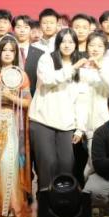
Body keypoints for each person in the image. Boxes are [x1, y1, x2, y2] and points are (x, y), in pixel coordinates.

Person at [0, 36, 32, 217]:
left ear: (16, 54)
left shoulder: (22, 76)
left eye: (11, 50)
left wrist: (11, 97)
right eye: (4, 50)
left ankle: (9, 205)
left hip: (12, 123)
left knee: (8, 162)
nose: (8, 53)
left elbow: (28, 103)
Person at [29, 28, 86, 192]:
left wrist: (80, 128)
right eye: (63, 41)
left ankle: (64, 200)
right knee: (47, 163)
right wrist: (73, 68)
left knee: (66, 164)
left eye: (71, 42)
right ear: (58, 43)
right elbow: (48, 80)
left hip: (67, 124)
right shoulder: (47, 59)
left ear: (76, 44)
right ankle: (45, 200)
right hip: (42, 120)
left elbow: (82, 99)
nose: (67, 45)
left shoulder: (80, 65)